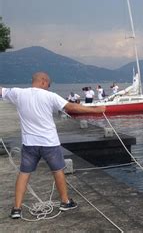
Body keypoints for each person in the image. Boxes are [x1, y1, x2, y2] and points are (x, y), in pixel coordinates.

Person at [0, 72, 106, 219]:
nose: (49, 87)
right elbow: (72, 108)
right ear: (43, 81)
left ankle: (16, 209)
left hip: (29, 143)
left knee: (24, 174)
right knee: (58, 171)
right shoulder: (50, 96)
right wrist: (97, 110)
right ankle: (65, 202)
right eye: (49, 84)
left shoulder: (18, 93)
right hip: (49, 143)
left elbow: (1, 90)